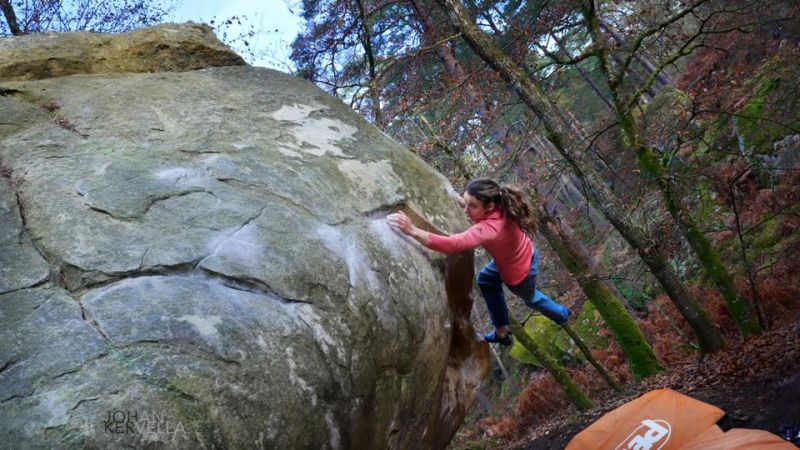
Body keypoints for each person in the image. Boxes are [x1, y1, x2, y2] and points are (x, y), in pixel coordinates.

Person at [387, 178, 570, 346]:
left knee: (532, 299)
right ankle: (502, 331)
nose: (466, 210)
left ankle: (561, 314)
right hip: (525, 252)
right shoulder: (502, 203)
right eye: (465, 204)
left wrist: (412, 230)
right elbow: (478, 214)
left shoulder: (490, 229)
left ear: (489, 206)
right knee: (485, 279)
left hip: (519, 274)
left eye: (471, 206)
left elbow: (453, 244)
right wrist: (463, 201)